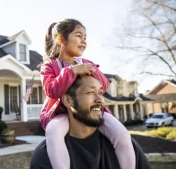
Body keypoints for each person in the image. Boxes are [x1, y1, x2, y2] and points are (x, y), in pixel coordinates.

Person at [39, 19, 135, 169]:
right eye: (78, 36)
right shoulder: (49, 65)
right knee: (53, 132)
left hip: (92, 111)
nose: (83, 41)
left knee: (122, 134)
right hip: (61, 114)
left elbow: (104, 85)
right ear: (61, 39)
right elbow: (52, 91)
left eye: (85, 38)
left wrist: (92, 71)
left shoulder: (86, 62)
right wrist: (72, 71)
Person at [30, 75, 152, 169]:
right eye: (90, 92)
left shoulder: (126, 145)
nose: (100, 100)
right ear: (68, 100)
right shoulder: (45, 156)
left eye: (100, 93)